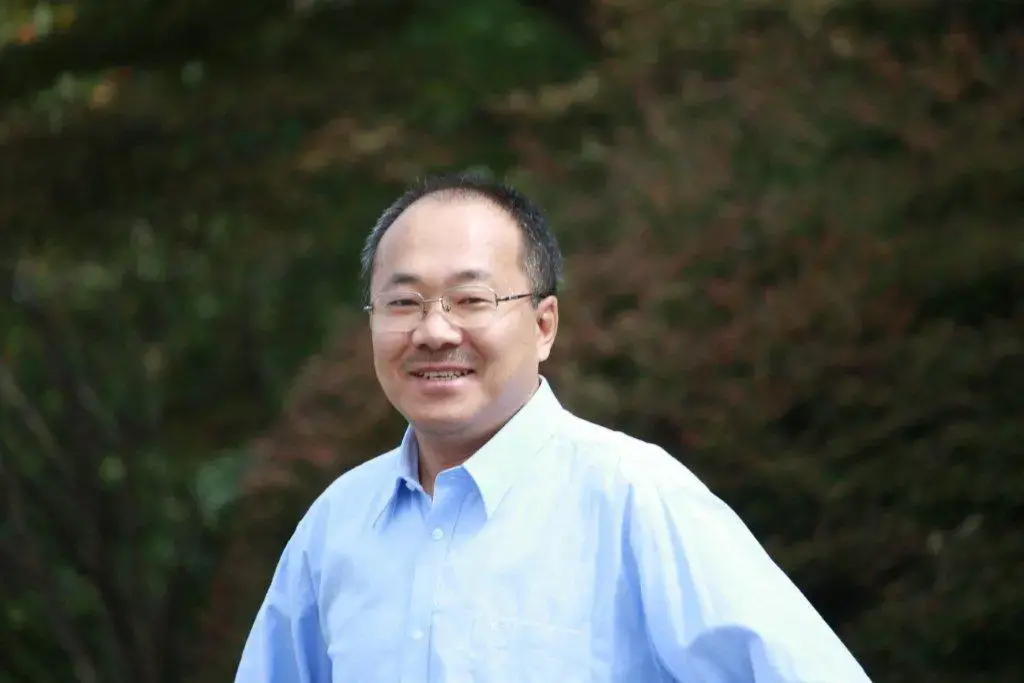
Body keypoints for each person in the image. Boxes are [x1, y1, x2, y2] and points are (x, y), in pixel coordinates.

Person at [235, 171, 872, 683]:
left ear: (544, 326)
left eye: (471, 300)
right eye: (403, 302)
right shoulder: (336, 526)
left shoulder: (635, 498)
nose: (433, 331)